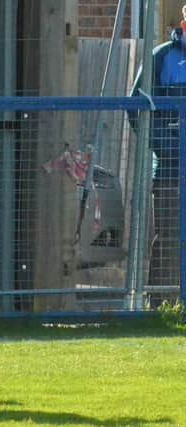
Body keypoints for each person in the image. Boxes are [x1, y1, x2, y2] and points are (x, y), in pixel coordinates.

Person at [128, 6, 186, 294]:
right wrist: (168, 148)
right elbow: (137, 107)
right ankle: (162, 307)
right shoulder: (162, 57)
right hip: (171, 172)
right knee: (171, 240)